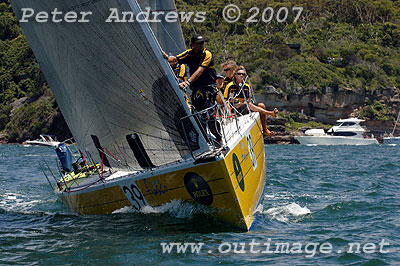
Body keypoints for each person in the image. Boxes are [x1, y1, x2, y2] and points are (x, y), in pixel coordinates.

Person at [164, 34, 221, 142]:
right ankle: (204, 140)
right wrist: (165, 57)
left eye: (202, 43)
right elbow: (175, 59)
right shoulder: (189, 53)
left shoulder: (207, 54)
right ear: (193, 45)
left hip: (208, 88)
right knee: (197, 116)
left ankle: (219, 138)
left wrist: (187, 82)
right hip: (196, 90)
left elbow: (200, 71)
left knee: (208, 115)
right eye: (198, 44)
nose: (201, 46)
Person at [224, 66, 278, 136]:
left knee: (261, 105)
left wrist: (241, 104)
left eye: (243, 74)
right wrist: (230, 113)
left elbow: (247, 100)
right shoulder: (229, 86)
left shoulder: (246, 86)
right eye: (239, 74)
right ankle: (269, 113)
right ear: (235, 75)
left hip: (243, 108)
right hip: (232, 109)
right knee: (248, 105)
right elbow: (226, 102)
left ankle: (265, 129)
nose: (241, 76)